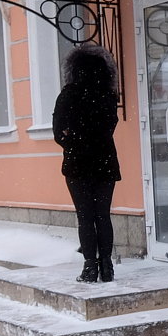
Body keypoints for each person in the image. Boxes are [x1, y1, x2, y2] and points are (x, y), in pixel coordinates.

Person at [52, 44, 122, 283]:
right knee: (103, 215)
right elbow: (109, 127)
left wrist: (73, 142)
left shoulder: (68, 94)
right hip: (105, 160)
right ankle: (107, 266)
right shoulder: (109, 95)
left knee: (85, 216)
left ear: (73, 69)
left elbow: (58, 133)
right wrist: (93, 140)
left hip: (77, 162)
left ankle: (90, 267)